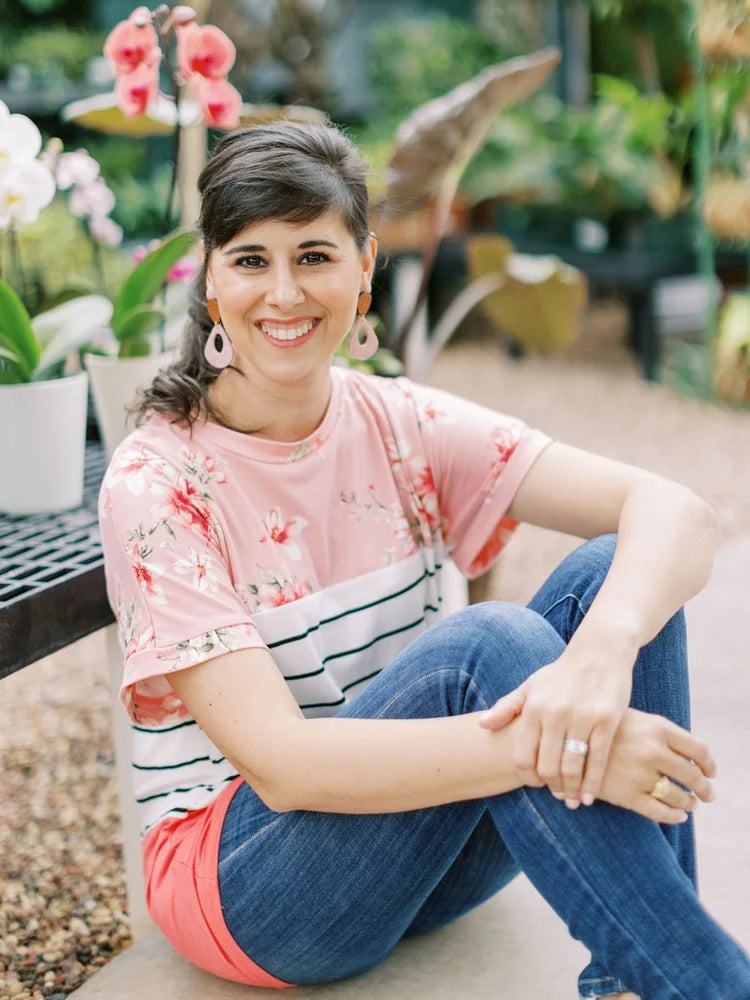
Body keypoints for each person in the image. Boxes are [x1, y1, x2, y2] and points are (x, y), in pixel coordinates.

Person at [98, 121, 750, 1000]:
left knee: (613, 572)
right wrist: (558, 745)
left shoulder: (399, 422)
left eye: (315, 255)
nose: (283, 292)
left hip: (414, 846)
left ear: (365, 266)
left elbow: (674, 511)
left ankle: (639, 979)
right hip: (254, 889)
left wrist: (599, 664)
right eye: (251, 260)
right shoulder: (159, 482)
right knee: (489, 645)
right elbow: (285, 767)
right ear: (210, 278)